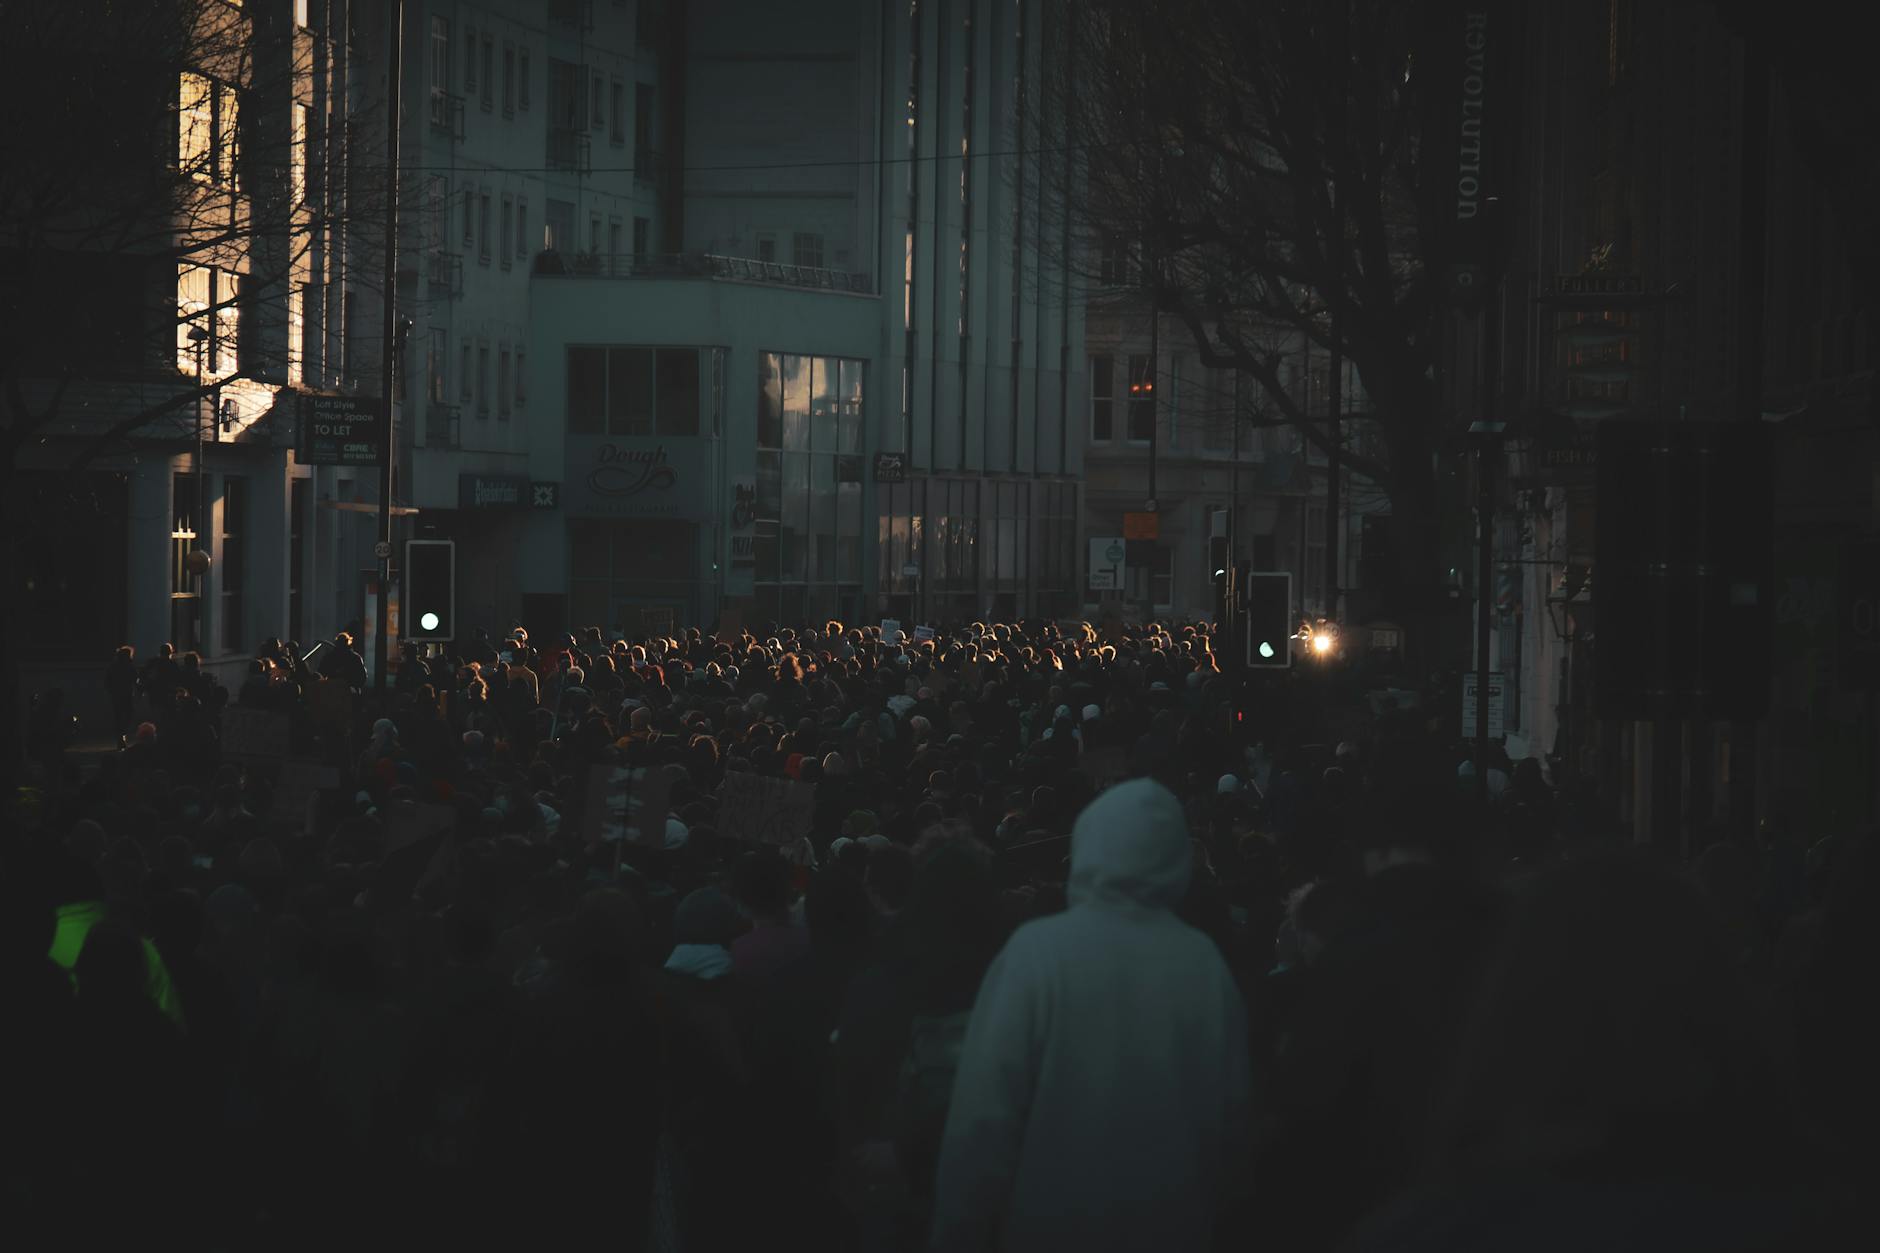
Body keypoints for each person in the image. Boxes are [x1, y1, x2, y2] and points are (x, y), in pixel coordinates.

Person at [929, 778, 1251, 1253]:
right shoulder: (1202, 963)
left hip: (1048, 1225)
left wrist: (957, 1231)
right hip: (1173, 1225)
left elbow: (983, 1115)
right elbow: (1232, 1121)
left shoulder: (1038, 952)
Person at [105, 645, 138, 746]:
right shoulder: (129, 666)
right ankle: (122, 735)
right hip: (127, 693)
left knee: (119, 716)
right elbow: (135, 678)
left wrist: (111, 690)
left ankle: (120, 737)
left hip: (117, 694)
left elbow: (108, 680)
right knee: (127, 715)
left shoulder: (113, 666)